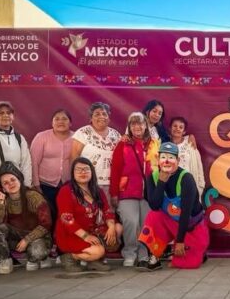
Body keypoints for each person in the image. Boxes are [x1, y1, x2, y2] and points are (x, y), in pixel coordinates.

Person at [139, 142, 209, 270]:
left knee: (189, 263)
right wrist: (161, 182)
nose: (167, 161)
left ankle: (196, 250)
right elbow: (154, 206)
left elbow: (186, 213)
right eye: (163, 157)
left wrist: (180, 241)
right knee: (153, 216)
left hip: (190, 227)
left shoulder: (186, 179)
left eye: (171, 157)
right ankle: (154, 256)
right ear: (158, 159)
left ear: (178, 160)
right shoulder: (152, 178)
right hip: (169, 221)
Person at [55, 157, 121, 272]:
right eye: (78, 170)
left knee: (118, 228)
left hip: (92, 230)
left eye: (86, 169)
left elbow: (107, 211)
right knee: (98, 251)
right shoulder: (66, 191)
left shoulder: (98, 191)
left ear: (92, 172)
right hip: (72, 234)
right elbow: (67, 219)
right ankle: (69, 257)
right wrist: (86, 236)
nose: (82, 172)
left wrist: (111, 227)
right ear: (73, 173)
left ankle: (94, 260)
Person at [0, 163, 53, 273]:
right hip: (16, 237)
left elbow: (46, 224)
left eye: (13, 180)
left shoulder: (33, 196)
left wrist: (27, 239)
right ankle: (5, 260)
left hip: (37, 237)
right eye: (6, 183)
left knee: (36, 252)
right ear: (3, 188)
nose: (10, 184)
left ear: (19, 180)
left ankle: (39, 257)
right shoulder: (5, 199)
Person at [110, 112, 155, 267]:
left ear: (146, 126)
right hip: (127, 192)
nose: (137, 127)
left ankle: (143, 254)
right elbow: (115, 170)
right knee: (130, 222)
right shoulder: (123, 144)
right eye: (133, 124)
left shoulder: (154, 144)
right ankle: (130, 252)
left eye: (140, 123)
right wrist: (114, 193)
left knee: (146, 225)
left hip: (148, 193)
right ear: (129, 127)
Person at [30, 108, 74, 222]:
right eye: (57, 119)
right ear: (52, 123)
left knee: (65, 215)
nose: (61, 121)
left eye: (64, 119)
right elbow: (33, 162)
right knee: (48, 216)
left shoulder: (76, 138)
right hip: (45, 185)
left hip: (68, 185)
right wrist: (36, 185)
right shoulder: (41, 137)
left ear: (70, 123)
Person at [71, 102, 122, 197]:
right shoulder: (83, 133)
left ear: (108, 118)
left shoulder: (116, 135)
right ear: (91, 118)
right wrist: (77, 183)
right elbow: (74, 158)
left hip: (113, 185)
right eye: (97, 114)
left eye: (104, 114)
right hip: (89, 184)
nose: (101, 116)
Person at [169, 117, 205, 196]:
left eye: (181, 127)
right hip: (171, 186)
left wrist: (200, 186)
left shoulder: (190, 144)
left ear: (184, 131)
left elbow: (199, 166)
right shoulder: (165, 145)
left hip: (189, 185)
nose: (177, 129)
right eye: (175, 126)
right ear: (170, 128)